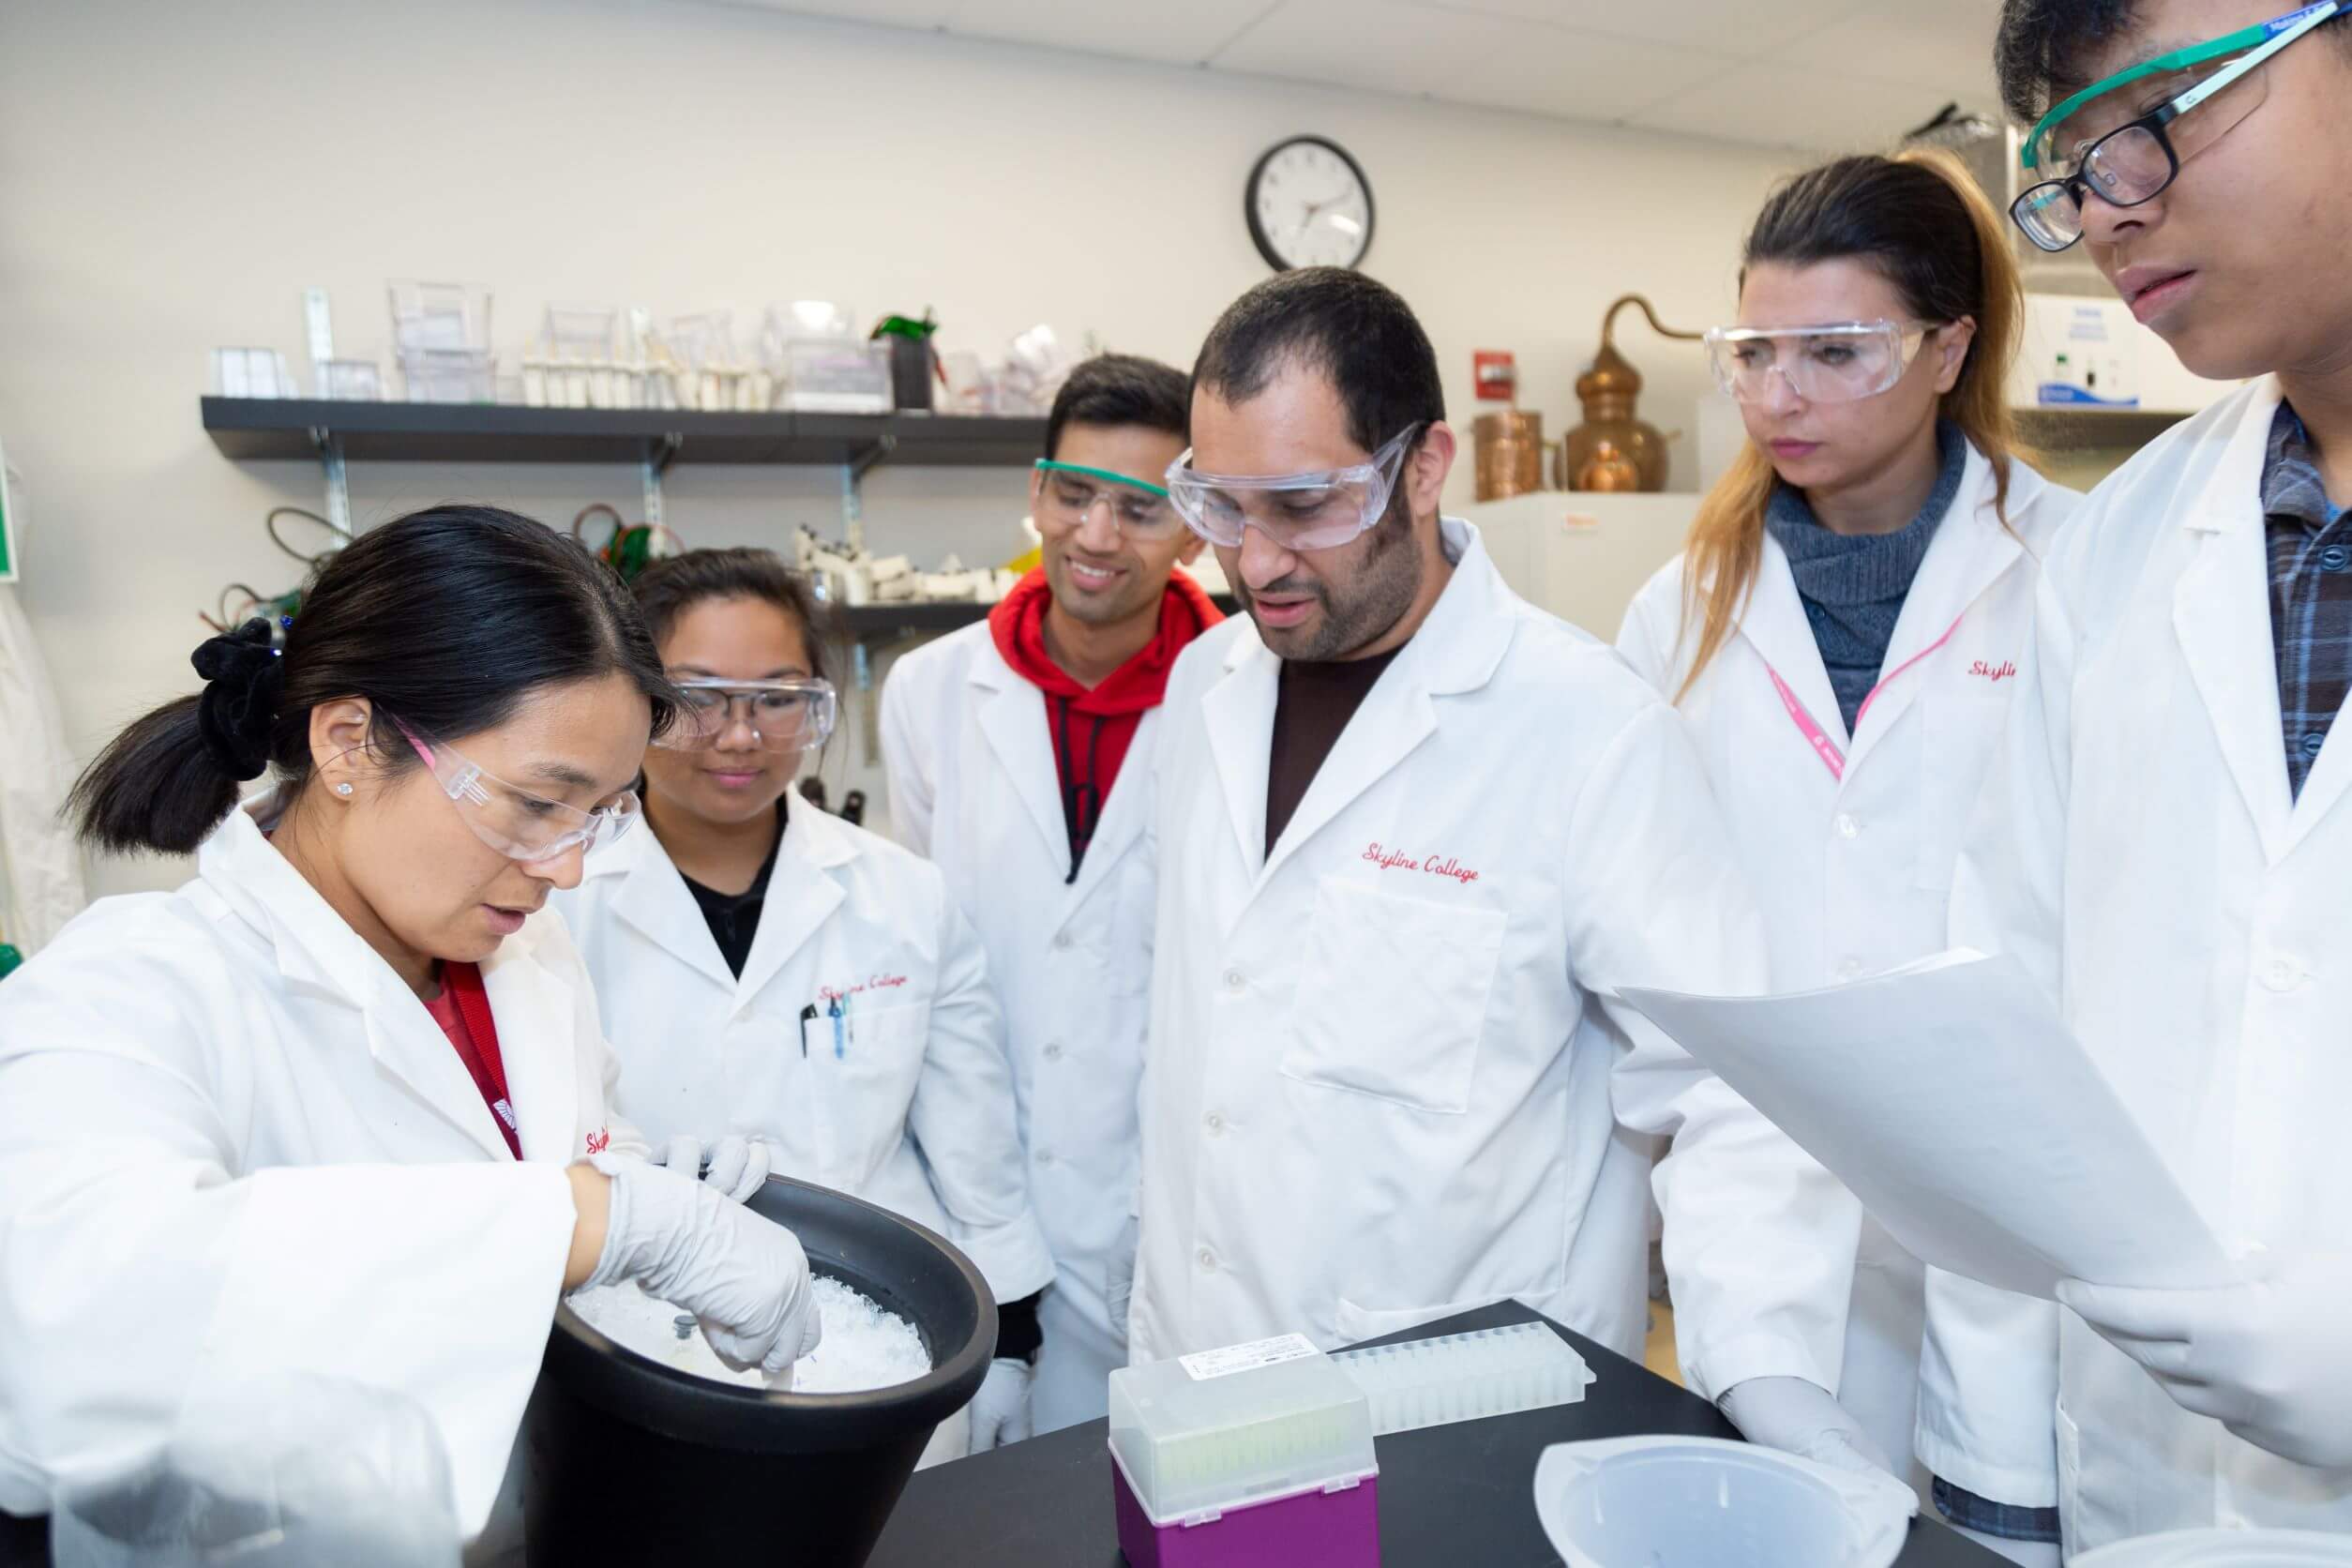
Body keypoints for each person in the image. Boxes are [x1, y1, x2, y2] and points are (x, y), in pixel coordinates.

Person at [1128, 266, 1875, 1470]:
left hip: (1460, 1411)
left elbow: (1731, 1091)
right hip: (1201, 1381)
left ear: (1424, 467)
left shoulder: (1585, 729)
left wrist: (1769, 1375)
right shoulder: (1205, 685)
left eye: (1305, 504)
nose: (1253, 561)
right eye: (1220, 507)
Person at [0, 507, 821, 1547]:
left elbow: (550, 1169)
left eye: (603, 812)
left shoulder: (524, 956)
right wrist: (600, 1220)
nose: (568, 865)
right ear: (348, 741)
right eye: (535, 801)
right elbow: (61, 1342)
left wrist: (642, 1183)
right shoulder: (133, 986)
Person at [1617, 150, 2080, 1561]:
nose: (1781, 396)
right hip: (1763, 1227)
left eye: (1838, 351)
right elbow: (1657, 968)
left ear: (1949, 349)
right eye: (1755, 353)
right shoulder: (1673, 613)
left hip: (2028, 1233)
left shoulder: (2081, 572)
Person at [1956, 0, 2352, 1549]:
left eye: (2159, 109)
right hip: (2140, 1484)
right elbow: (2016, 1040)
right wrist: (1997, 1480)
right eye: (2064, 163)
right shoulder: (2113, 552)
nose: (2105, 206)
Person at [551, 547, 1052, 1456]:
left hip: (877, 1345)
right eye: (699, 696)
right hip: (637, 1344)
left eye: (779, 697)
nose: (741, 736)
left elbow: (976, 1147)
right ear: (639, 698)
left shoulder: (903, 895)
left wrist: (1012, 1338)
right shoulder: (551, 901)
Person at [881, 353, 1222, 1432]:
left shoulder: (1253, 694)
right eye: (1074, 494)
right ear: (1036, 493)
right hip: (982, 1184)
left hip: (1174, 1194)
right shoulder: (932, 688)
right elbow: (925, 948)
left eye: (1141, 508)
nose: (1096, 534)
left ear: (1198, 527)